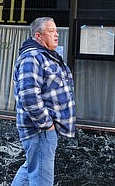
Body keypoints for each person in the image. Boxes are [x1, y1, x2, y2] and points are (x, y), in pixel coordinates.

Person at [12, 17, 76, 186]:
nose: (56, 35)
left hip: (44, 130)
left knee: (30, 170)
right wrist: (47, 124)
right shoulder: (32, 58)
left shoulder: (46, 56)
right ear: (38, 36)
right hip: (40, 130)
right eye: (51, 31)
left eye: (56, 31)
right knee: (42, 179)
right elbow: (29, 97)